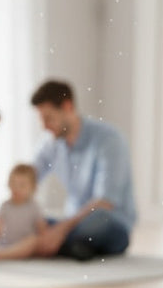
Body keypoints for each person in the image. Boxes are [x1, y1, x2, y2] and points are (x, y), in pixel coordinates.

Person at [30, 80, 136, 260]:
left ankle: (56, 243)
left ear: (67, 107)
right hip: (72, 222)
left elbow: (105, 202)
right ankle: (72, 247)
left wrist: (60, 230)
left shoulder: (109, 139)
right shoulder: (52, 144)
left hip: (108, 222)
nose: (44, 126)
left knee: (96, 224)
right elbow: (29, 178)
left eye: (48, 118)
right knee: (7, 220)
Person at [0, 163, 100, 261]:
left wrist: (45, 242)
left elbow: (42, 228)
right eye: (13, 184)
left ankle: (1, 255)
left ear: (33, 188)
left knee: (33, 240)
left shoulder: (34, 207)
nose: (16, 189)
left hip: (25, 243)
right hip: (7, 243)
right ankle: (0, 253)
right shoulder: (5, 206)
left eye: (22, 185)